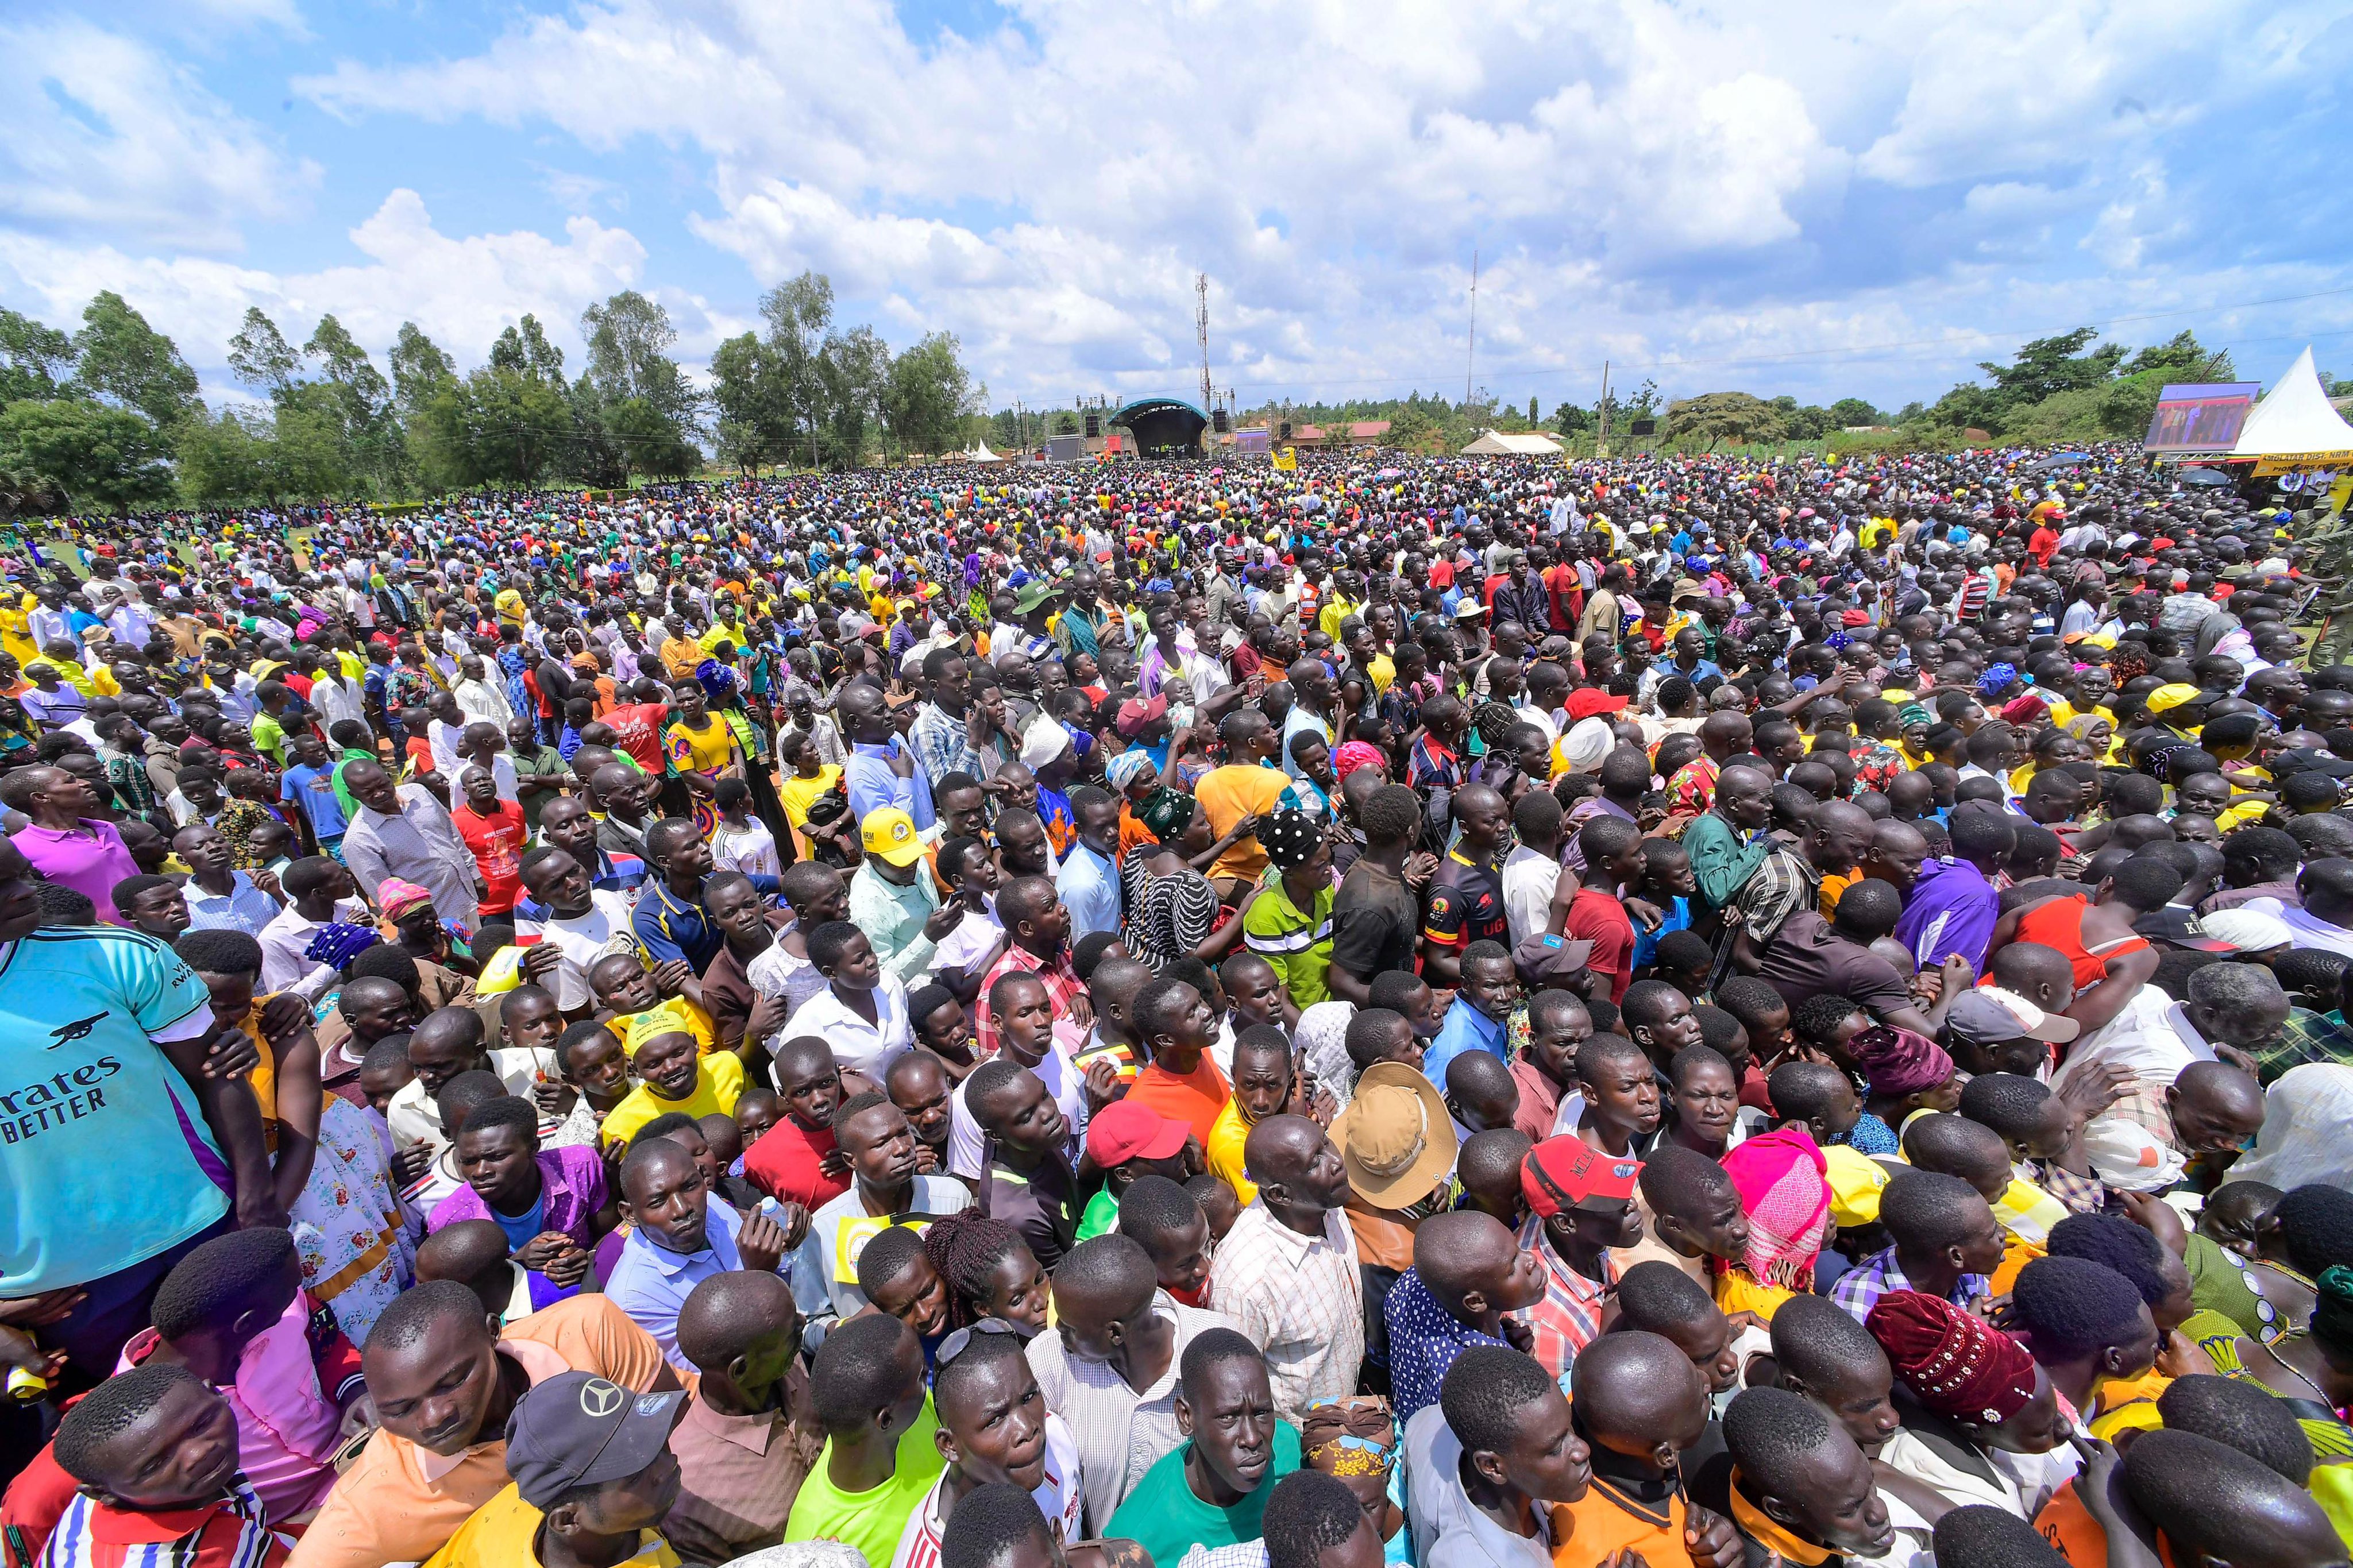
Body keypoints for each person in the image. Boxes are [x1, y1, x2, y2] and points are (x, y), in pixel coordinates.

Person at [288, 1281, 675, 1568]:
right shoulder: (373, 1503)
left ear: (493, 1332)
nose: (434, 1417)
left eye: (453, 1382)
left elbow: (677, 1427)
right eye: (400, 1410)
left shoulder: (588, 1333)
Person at [418, 1368, 689, 1568]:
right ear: (568, 1520)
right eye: (635, 1476)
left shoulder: (534, 1496)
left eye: (654, 1442)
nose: (669, 1464)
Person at [38, 1363, 291, 1568]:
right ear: (102, 1494)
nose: (198, 1453)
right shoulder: (196, 1558)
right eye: (155, 1464)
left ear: (215, 1394)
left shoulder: (128, 1479)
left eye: (201, 1424)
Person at [1211, 1114, 1366, 1422]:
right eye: (1314, 1163)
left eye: (1326, 1143)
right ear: (1280, 1194)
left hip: (1351, 1410)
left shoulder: (1324, 1202)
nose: (1336, 1161)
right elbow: (1238, 1395)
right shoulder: (1247, 1281)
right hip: (1301, 1442)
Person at [664, 1269, 823, 1563]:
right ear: (740, 1370)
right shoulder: (692, 1497)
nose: (803, 1323)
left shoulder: (785, 1358)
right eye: (794, 1332)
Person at [1106, 1328, 1303, 1565]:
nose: (1252, 1439)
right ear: (1186, 1417)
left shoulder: (1290, 1451)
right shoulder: (1136, 1538)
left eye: (1262, 1413)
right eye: (1228, 1418)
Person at [603, 1136, 795, 1372]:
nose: (682, 1209)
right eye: (658, 1202)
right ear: (630, 1214)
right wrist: (756, 1277)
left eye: (689, 1187)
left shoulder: (711, 1202)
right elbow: (710, 1376)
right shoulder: (635, 1298)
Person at [893, 1330, 1083, 1568]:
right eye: (995, 1420)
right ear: (949, 1445)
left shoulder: (1055, 1440)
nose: (1027, 1429)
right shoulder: (928, 1561)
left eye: (1028, 1397)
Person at [1403, 1343, 1591, 1568]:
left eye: (1570, 1428)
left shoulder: (1430, 1421)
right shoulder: (1470, 1560)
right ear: (1492, 1466)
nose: (1583, 1450)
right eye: (1554, 1449)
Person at [784, 1312, 944, 1567]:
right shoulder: (816, 1546)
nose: (928, 1378)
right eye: (921, 1377)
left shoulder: (914, 1411)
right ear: (886, 1420)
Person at [1382, 1210, 1546, 1426]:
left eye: (1516, 1247)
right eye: (1511, 1267)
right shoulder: (1486, 1387)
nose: (1531, 1259)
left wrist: (1501, 1332)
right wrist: (1520, 1363)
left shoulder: (1414, 1283)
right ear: (1476, 1303)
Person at [1516, 1135, 1644, 1379]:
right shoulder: (1548, 1330)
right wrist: (1609, 1339)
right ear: (1566, 1224)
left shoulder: (1569, 1230)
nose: (1629, 1203)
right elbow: (1573, 1409)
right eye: (1608, 1200)